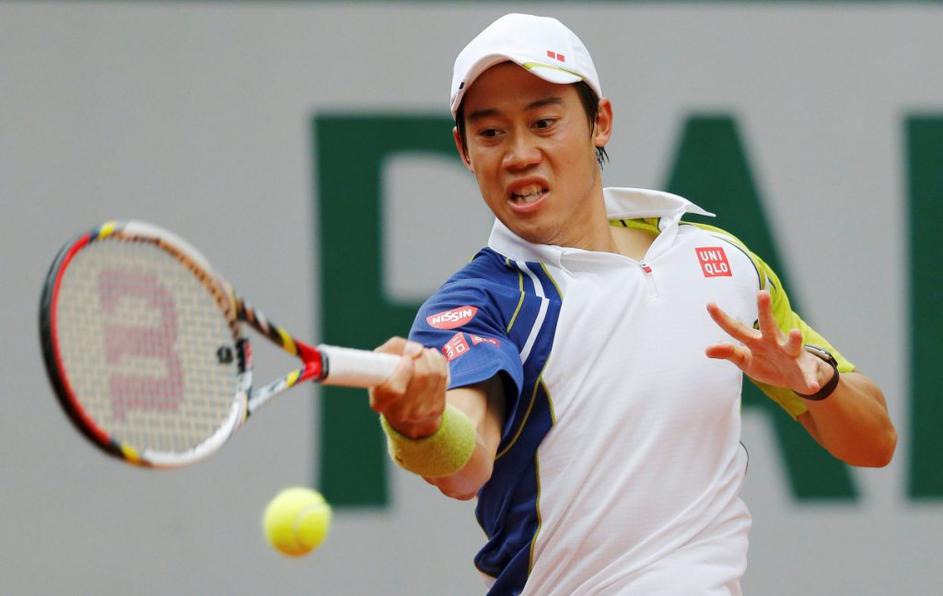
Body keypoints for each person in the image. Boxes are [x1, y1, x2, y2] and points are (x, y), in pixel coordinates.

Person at [369, 13, 897, 595]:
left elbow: (876, 443)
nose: (519, 154)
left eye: (544, 123)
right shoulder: (481, 303)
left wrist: (815, 384)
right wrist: (422, 425)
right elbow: (465, 466)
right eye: (491, 133)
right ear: (464, 150)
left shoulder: (718, 261)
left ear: (600, 123)